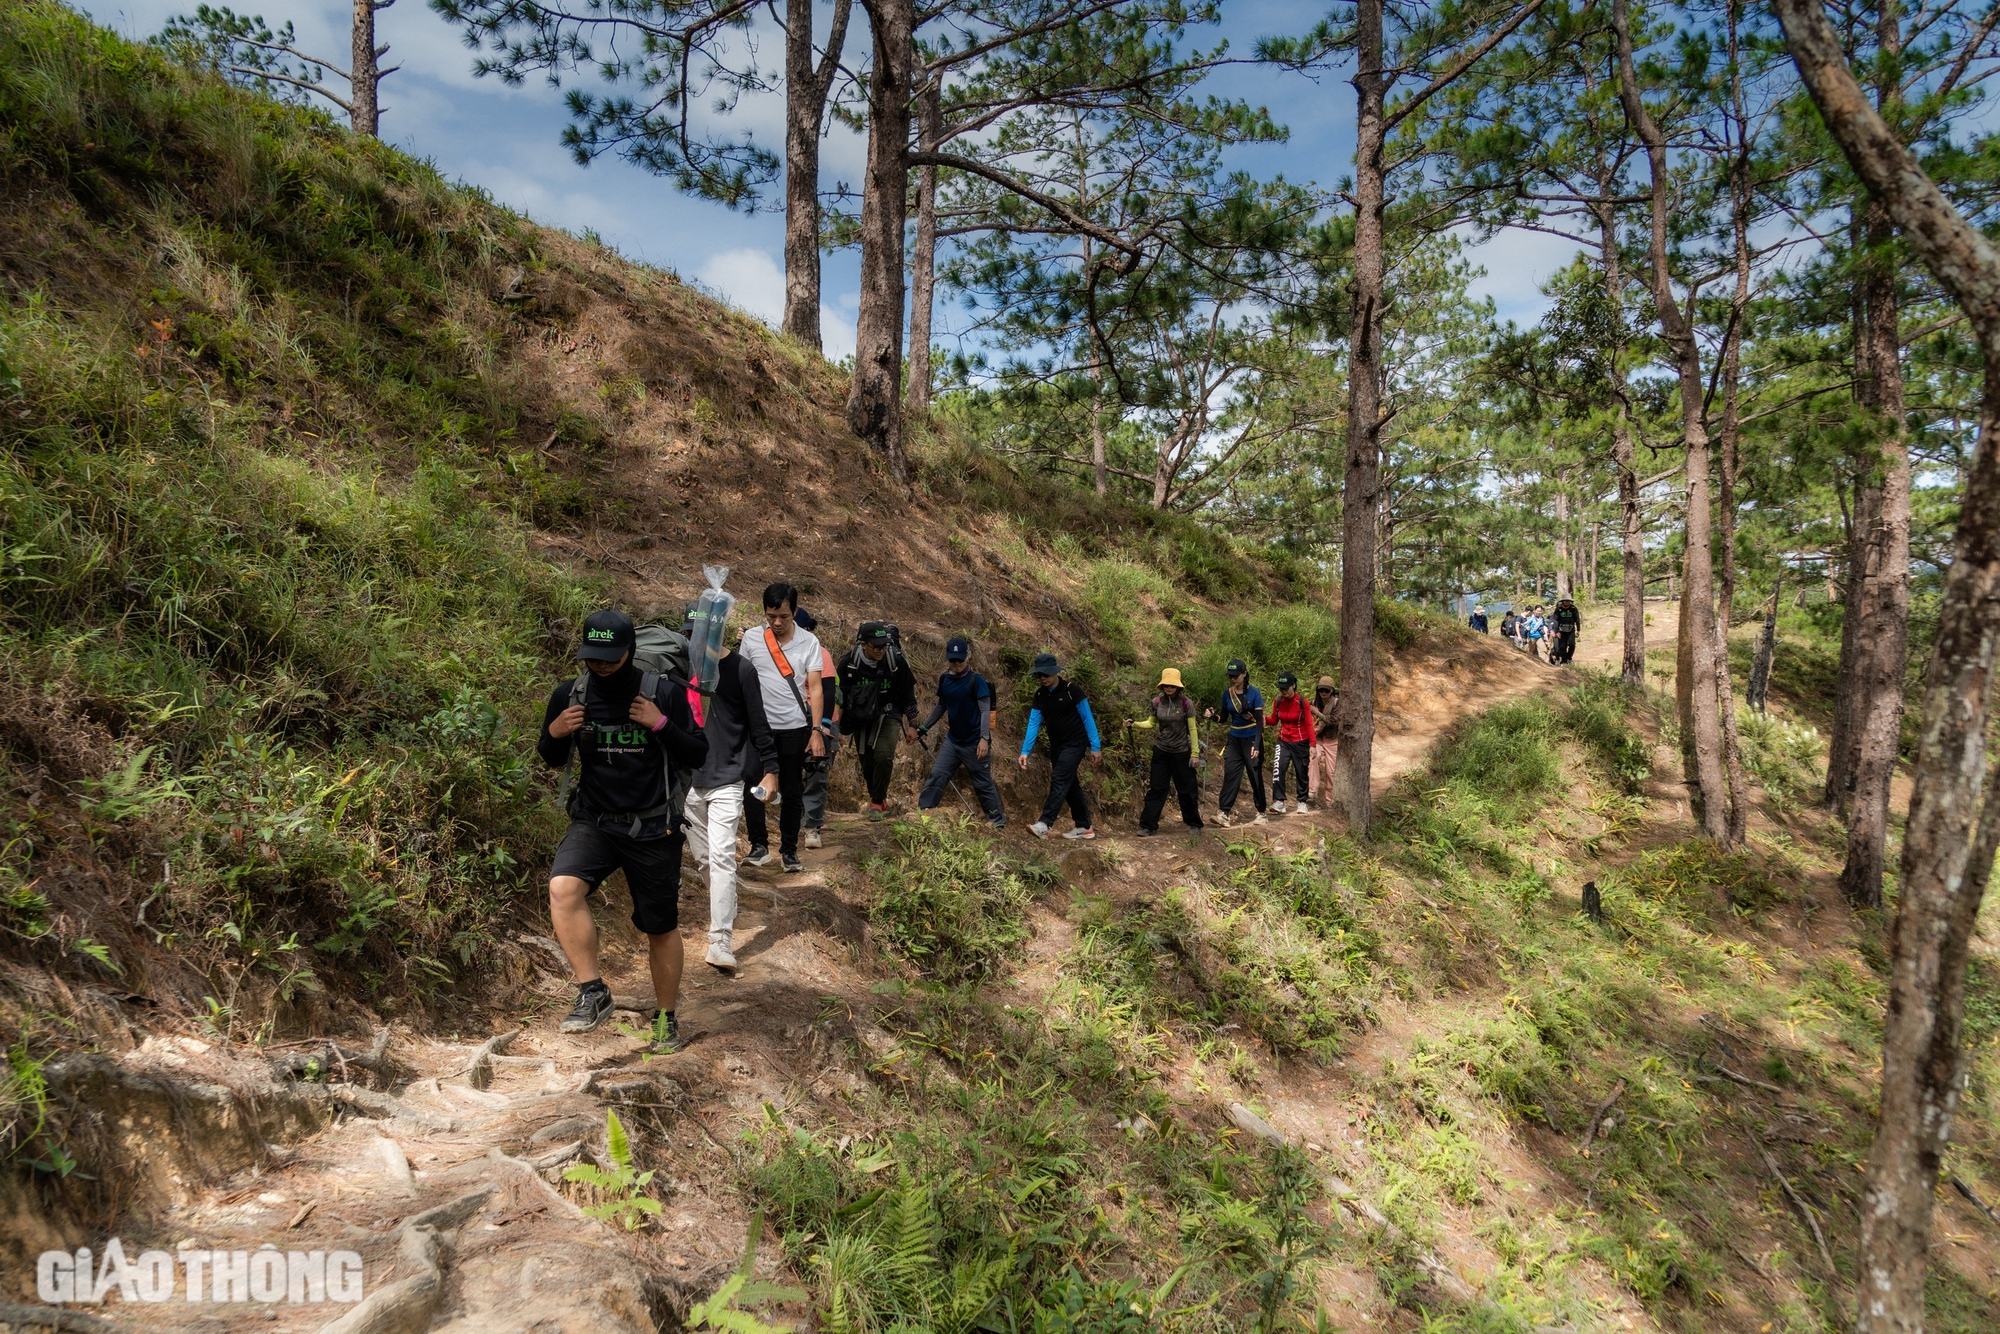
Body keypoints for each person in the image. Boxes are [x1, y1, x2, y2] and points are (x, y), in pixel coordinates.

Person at [538, 610, 709, 1049]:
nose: (601, 665)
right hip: (594, 820)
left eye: (610, 658)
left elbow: (698, 753)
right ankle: (592, 992)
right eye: (593, 657)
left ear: (630, 651)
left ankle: (667, 1017)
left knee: (659, 926)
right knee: (563, 889)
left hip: (653, 828)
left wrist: (660, 724)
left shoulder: (666, 695)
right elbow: (552, 757)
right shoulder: (569, 695)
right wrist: (556, 732)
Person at [682, 629, 780, 976]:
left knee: (722, 857)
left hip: (727, 777)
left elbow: (759, 723)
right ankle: (728, 906)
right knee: (705, 860)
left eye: (701, 636)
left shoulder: (741, 670)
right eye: (689, 636)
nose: (695, 644)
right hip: (686, 783)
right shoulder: (679, 668)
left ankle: (720, 940)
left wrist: (771, 769)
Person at [737, 582, 825, 873]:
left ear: (795, 612)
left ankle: (789, 850)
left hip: (794, 726)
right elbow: (743, 681)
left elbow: (815, 687)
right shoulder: (751, 639)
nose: (776, 622)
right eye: (771, 616)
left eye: (784, 616)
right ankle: (759, 846)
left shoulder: (808, 643)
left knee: (790, 788)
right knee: (752, 782)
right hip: (758, 728)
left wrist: (816, 730)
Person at [918, 637, 1006, 826]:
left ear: (967, 657)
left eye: (960, 660)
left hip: (974, 742)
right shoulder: (945, 679)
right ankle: (924, 812)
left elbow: (984, 710)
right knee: (938, 774)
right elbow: (941, 706)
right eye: (952, 660)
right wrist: (924, 727)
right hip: (953, 741)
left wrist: (984, 738)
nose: (956, 664)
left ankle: (997, 821)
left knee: (982, 784)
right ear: (947, 659)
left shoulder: (977, 681)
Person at [835, 623, 920, 818]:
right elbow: (839, 698)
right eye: (877, 647)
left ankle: (875, 803)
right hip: (861, 716)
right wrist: (836, 727)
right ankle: (880, 800)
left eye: (885, 646)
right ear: (863, 644)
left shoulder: (895, 660)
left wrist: (913, 725)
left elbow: (908, 693)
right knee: (867, 762)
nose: (882, 650)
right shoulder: (849, 664)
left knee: (883, 756)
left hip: (889, 713)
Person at [1018, 653, 1101, 838]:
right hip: (1057, 746)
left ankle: (1044, 824)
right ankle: (1084, 826)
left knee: (1060, 778)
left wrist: (1095, 746)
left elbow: (1088, 718)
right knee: (1070, 784)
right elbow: (1033, 723)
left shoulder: (1072, 690)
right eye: (1039, 675)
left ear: (1055, 672)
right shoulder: (1039, 695)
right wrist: (1025, 751)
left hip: (1076, 743)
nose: (1042, 678)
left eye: (1045, 674)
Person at [1132, 668, 1203, 836]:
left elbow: (1192, 729)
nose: (1169, 688)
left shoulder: (1186, 703)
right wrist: (1133, 724)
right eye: (1166, 685)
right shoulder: (1157, 702)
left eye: (1172, 685)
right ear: (1162, 686)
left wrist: (1195, 753)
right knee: (1157, 788)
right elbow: (1151, 723)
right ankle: (1148, 825)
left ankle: (1194, 823)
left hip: (1182, 752)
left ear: (1178, 687)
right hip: (1161, 751)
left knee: (1187, 789)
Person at [794, 606, 838, 850]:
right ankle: (795, 820)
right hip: (792, 718)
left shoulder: (821, 653)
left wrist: (823, 726)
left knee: (816, 771)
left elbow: (828, 690)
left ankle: (812, 826)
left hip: (820, 717)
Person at [1205, 659, 1267, 826]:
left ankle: (1261, 812)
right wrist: (1213, 716)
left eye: (1235, 676)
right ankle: (1224, 813)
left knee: (1255, 776)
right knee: (1231, 774)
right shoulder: (1228, 694)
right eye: (1230, 676)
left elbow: (1260, 722)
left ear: (1244, 674)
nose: (1232, 679)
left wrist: (1256, 744)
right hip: (1234, 739)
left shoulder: (1254, 693)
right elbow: (1224, 718)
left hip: (1251, 738)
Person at [1265, 672, 1314, 814]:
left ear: (1293, 685)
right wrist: (1260, 718)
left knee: (1301, 772)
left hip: (1300, 741)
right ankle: (1279, 802)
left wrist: (1313, 745)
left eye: (1286, 688)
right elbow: (1274, 720)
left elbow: (1309, 724)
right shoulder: (1278, 701)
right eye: (1281, 688)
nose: (1283, 691)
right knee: (1278, 768)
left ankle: (1302, 802)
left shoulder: (1302, 701)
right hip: (1283, 740)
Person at [1308, 676, 1340, 807]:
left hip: (1333, 739)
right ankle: (1312, 792)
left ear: (1332, 691)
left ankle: (1329, 801)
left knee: (1330, 771)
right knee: (1312, 759)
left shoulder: (1337, 703)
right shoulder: (1313, 702)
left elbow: (1335, 720)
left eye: (1326, 690)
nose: (1324, 693)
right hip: (1318, 738)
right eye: (1321, 690)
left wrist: (1318, 714)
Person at [1552, 597, 1582, 665]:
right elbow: (1555, 620)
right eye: (1566, 601)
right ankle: (1564, 661)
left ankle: (1569, 658)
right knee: (1563, 646)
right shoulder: (1558, 609)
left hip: (1571, 629)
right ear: (1563, 601)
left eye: (1568, 601)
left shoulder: (1573, 609)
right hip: (1561, 630)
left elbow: (1577, 619)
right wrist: (1557, 631)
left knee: (1572, 644)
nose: (1567, 602)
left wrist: (1578, 629)